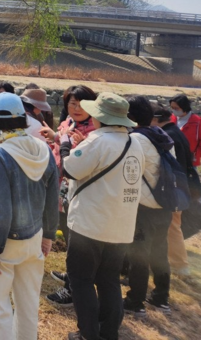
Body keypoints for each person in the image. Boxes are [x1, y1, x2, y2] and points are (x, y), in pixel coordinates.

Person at [62, 93, 145, 340]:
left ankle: (88, 333)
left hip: (90, 224)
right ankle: (109, 332)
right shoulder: (134, 143)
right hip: (121, 225)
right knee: (109, 280)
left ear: (99, 116)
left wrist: (66, 144)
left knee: (81, 280)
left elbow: (70, 169)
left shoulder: (97, 141)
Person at [0, 92, 59, 340]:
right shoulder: (44, 150)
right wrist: (48, 235)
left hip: (2, 243)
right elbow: (52, 197)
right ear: (24, 118)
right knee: (28, 303)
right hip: (34, 238)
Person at [123, 96, 175, 318]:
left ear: (130, 116)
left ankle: (135, 302)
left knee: (139, 256)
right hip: (165, 204)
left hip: (144, 207)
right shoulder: (161, 135)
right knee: (159, 253)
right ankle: (161, 298)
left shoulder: (135, 139)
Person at [47, 84, 98, 307]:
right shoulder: (68, 122)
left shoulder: (95, 131)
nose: (76, 108)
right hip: (61, 186)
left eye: (81, 104)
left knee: (76, 241)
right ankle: (71, 276)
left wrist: (81, 144)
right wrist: (55, 137)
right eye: (72, 103)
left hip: (80, 191)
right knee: (68, 235)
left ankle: (71, 289)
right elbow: (61, 146)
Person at [152, 103, 201, 276]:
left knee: (172, 227)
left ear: (156, 119)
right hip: (181, 186)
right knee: (173, 226)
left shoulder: (168, 135)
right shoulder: (175, 131)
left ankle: (180, 265)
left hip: (174, 187)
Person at [170, 94, 201, 166]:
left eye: (176, 108)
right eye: (172, 108)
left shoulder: (198, 122)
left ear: (184, 107)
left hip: (189, 161)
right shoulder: (170, 119)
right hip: (171, 159)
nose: (174, 110)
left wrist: (196, 155)